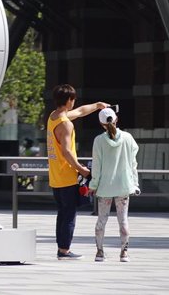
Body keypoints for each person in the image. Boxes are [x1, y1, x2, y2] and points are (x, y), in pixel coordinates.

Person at [47, 84, 109, 260]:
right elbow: (67, 152)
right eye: (73, 99)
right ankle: (64, 250)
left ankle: (62, 248)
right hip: (67, 176)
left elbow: (81, 112)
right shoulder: (66, 125)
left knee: (62, 213)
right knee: (69, 215)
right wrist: (82, 170)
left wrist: (97, 105)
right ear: (68, 100)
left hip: (56, 176)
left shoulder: (53, 117)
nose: (74, 103)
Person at [89, 107, 140, 263]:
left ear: (100, 123)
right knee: (123, 220)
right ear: (116, 119)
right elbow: (133, 164)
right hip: (124, 185)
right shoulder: (128, 138)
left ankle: (99, 252)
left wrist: (93, 184)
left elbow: (96, 166)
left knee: (101, 220)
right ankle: (124, 253)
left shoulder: (98, 140)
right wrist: (135, 184)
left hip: (105, 186)